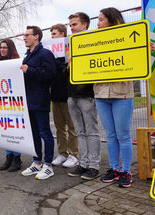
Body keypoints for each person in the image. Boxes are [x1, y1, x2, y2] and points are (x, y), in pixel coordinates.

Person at [95, 7, 134, 188]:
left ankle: (126, 171)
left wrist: (144, 51)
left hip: (122, 94)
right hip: (100, 94)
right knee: (110, 135)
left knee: (123, 135)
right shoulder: (92, 42)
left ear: (112, 20)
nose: (98, 23)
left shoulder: (128, 39)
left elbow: (137, 64)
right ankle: (115, 169)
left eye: (101, 19)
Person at [66, 12, 102, 180]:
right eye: (70, 25)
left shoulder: (93, 42)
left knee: (91, 131)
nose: (72, 28)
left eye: (75, 24)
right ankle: (83, 163)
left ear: (85, 25)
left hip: (87, 94)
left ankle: (94, 166)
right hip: (72, 94)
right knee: (80, 131)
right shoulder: (70, 45)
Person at [19, 26, 57, 180]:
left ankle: (48, 164)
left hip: (40, 99)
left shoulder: (45, 53)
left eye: (27, 35)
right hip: (28, 100)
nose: (24, 38)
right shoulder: (27, 55)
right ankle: (37, 162)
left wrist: (30, 70)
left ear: (36, 36)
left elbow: (50, 75)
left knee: (44, 132)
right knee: (33, 132)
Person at [49, 24, 80, 168]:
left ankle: (74, 154)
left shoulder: (69, 52)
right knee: (59, 126)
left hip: (68, 94)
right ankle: (62, 153)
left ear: (62, 34)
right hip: (55, 95)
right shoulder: (51, 54)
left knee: (72, 127)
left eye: (54, 34)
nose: (52, 37)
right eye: (51, 34)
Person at [0, 39, 23, 172]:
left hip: (14, 102)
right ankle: (8, 157)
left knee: (14, 130)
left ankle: (17, 159)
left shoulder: (17, 62)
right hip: (2, 103)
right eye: (1, 47)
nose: (2, 50)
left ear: (10, 49)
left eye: (5, 47)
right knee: (5, 129)